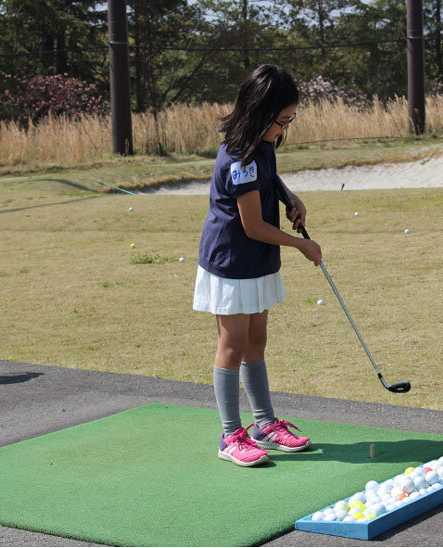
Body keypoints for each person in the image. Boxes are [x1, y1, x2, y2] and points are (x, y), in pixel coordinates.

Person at [193, 64, 322, 467]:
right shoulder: (238, 156)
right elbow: (252, 226)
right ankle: (230, 434)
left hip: (258, 259)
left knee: (256, 342)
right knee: (232, 347)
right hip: (232, 260)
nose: (285, 128)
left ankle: (264, 423)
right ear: (259, 112)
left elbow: (270, 179)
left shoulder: (263, 143)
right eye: (282, 120)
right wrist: (302, 246)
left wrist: (290, 198)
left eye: (290, 119)